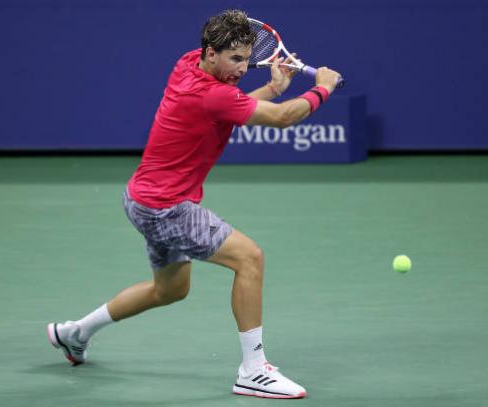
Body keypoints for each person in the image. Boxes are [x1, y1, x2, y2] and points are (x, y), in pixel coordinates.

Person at [47, 9, 341, 399]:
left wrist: (271, 88)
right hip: (167, 207)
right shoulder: (212, 93)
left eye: (247, 60)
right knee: (249, 258)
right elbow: (283, 118)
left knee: (169, 290)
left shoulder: (189, 64)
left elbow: (227, 112)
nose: (242, 69)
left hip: (141, 198)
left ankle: (75, 333)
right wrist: (322, 87)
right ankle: (254, 371)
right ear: (211, 52)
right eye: (235, 59)